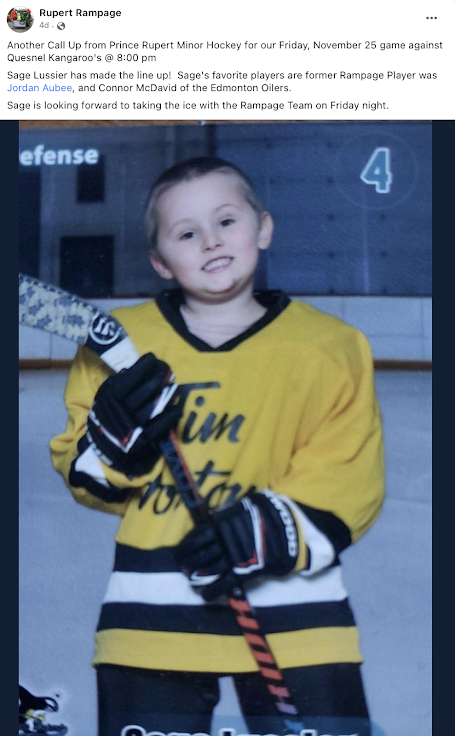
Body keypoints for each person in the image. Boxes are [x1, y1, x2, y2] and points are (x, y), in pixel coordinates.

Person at [50, 157, 384, 736]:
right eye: (186, 233)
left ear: (263, 228)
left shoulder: (332, 346)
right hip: (150, 616)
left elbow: (351, 471)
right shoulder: (119, 347)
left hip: (299, 620)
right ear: (160, 261)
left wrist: (265, 530)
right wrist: (116, 440)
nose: (211, 241)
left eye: (226, 221)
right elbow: (86, 477)